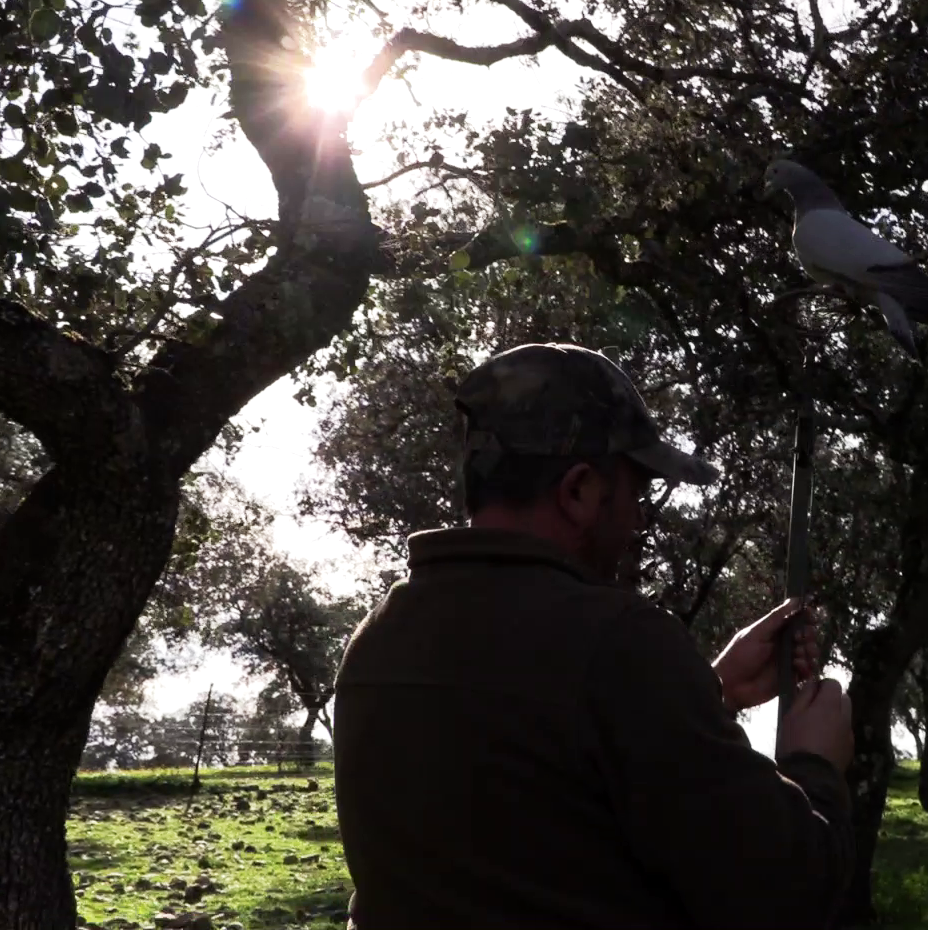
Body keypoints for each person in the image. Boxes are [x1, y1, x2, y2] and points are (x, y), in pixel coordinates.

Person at [334, 342, 856, 929]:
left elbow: (541, 786)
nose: (637, 520)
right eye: (635, 493)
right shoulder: (621, 645)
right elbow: (787, 896)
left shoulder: (377, 639)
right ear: (579, 490)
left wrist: (706, 691)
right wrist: (814, 761)